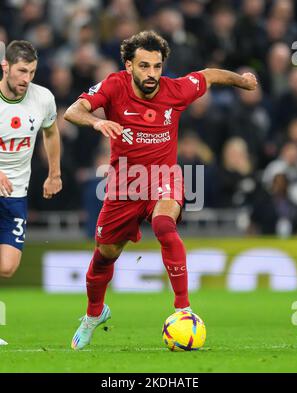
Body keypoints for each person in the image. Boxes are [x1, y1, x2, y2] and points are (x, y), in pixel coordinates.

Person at [64, 30, 257, 350]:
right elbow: (73, 111)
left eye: (156, 66)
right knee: (104, 256)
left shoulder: (175, 89)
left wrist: (242, 80)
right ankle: (93, 315)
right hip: (125, 185)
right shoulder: (114, 86)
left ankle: (183, 309)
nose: (152, 74)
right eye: (144, 66)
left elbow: (208, 75)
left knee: (164, 225)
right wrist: (97, 122)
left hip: (164, 178)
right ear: (128, 66)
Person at [0, 41, 62, 343]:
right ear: (6, 67)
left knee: (8, 267)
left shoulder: (43, 99)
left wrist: (54, 173)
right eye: (22, 71)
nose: (27, 78)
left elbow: (51, 132)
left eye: (32, 71)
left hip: (16, 194)